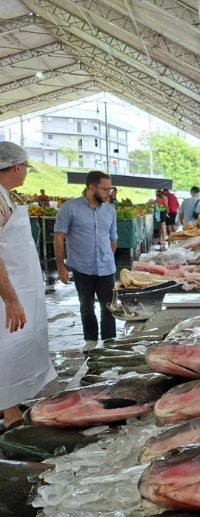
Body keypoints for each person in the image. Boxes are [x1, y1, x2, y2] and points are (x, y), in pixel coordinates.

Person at [0, 143, 56, 428]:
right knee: (6, 347)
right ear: (17, 166)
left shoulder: (6, 196)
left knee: (18, 344)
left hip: (19, 287)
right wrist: (9, 299)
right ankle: (9, 412)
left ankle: (12, 401)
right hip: (6, 291)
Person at [54, 171, 118, 353]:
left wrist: (109, 258)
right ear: (92, 187)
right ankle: (90, 339)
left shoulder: (110, 211)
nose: (109, 193)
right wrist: (61, 267)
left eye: (110, 189)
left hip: (106, 267)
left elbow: (113, 238)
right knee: (86, 305)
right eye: (105, 189)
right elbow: (59, 238)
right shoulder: (70, 208)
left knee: (109, 306)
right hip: (82, 267)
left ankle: (110, 342)